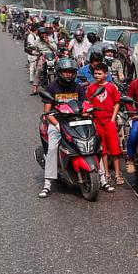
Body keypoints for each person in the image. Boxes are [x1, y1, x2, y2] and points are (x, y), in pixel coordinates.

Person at [39, 59, 87, 198]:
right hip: (57, 123)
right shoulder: (51, 88)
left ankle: (102, 178)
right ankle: (47, 184)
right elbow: (47, 112)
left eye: (71, 72)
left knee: (94, 141)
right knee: (53, 148)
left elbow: (83, 106)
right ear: (59, 72)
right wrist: (58, 125)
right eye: (65, 72)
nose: (68, 75)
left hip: (75, 122)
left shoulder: (78, 87)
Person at [85, 62, 122, 191]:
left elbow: (117, 103)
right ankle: (106, 174)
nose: (97, 75)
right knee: (103, 150)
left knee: (115, 149)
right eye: (95, 73)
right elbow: (88, 104)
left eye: (99, 73)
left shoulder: (111, 87)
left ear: (105, 74)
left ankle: (117, 174)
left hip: (109, 122)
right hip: (97, 122)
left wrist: (113, 119)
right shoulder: (91, 88)